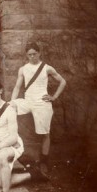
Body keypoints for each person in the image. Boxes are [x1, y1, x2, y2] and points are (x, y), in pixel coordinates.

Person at [0, 79, 47, 192]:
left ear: (0, 91)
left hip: (14, 145)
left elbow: (13, 137)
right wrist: (0, 142)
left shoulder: (9, 109)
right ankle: (32, 174)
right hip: (3, 143)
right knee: (2, 182)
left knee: (2, 156)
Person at [10, 42, 66, 173]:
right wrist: (12, 102)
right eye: (29, 55)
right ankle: (15, 152)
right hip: (28, 101)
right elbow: (17, 87)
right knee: (9, 109)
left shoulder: (47, 68)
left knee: (45, 133)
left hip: (42, 102)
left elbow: (63, 81)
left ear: (39, 53)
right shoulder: (23, 69)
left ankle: (44, 161)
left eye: (34, 54)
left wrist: (54, 97)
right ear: (26, 55)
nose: (32, 57)